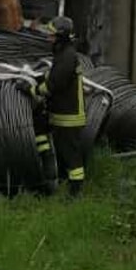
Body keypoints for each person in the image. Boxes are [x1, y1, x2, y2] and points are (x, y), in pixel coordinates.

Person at [43, 15, 87, 197]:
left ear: (61, 36)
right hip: (62, 115)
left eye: (52, 35)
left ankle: (75, 193)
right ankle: (64, 187)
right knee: (63, 155)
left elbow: (54, 84)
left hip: (69, 117)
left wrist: (31, 89)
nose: (48, 38)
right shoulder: (63, 54)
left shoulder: (67, 57)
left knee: (72, 158)